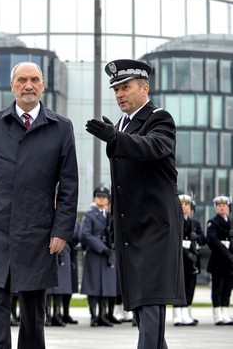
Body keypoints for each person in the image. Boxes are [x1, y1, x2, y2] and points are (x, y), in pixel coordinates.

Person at [0, 62, 79, 348]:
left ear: (43, 85)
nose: (29, 85)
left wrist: (61, 230)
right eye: (22, 80)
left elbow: (69, 185)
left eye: (35, 79)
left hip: (38, 231)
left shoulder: (61, 128)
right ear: (12, 86)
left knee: (33, 306)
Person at [86, 59, 186, 348]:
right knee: (143, 309)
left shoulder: (159, 117)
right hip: (132, 230)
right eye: (116, 89)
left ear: (145, 89)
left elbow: (153, 147)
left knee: (151, 304)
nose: (119, 94)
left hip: (155, 227)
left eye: (125, 87)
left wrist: (115, 138)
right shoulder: (121, 124)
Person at [80, 186, 117, 327]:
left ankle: (103, 315)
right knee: (93, 286)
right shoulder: (89, 215)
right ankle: (94, 316)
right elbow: (85, 235)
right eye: (98, 196)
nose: (101, 199)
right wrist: (102, 248)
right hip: (95, 254)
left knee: (106, 287)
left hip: (108, 254)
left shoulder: (110, 216)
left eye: (104, 197)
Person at [172, 194, 206, 326]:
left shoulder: (195, 223)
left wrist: (196, 236)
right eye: (181, 204)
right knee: (178, 288)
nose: (184, 207)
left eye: (186, 205)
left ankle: (186, 314)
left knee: (190, 287)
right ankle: (177, 315)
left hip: (192, 261)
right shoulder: (175, 222)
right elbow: (173, 242)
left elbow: (204, 240)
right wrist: (186, 253)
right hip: (180, 259)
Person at [205, 195, 233, 325]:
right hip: (218, 260)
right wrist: (227, 252)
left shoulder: (231, 222)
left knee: (227, 288)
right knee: (218, 288)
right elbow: (213, 240)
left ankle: (225, 313)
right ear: (216, 208)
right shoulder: (213, 222)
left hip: (230, 262)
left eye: (224, 206)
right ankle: (217, 315)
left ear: (228, 208)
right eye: (219, 206)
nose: (222, 208)